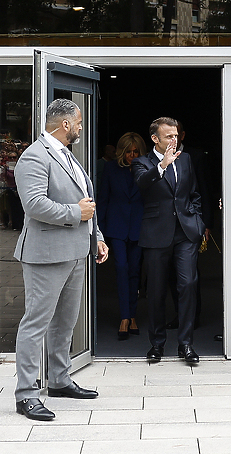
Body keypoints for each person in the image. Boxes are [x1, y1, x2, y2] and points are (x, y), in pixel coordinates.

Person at [13, 98, 109, 421]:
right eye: (79, 123)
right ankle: (26, 395)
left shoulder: (68, 156)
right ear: (65, 124)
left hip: (76, 253)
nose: (81, 128)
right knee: (36, 324)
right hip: (45, 256)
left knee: (65, 322)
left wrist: (96, 236)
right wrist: (75, 214)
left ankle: (59, 379)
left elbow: (87, 202)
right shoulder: (33, 157)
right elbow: (35, 205)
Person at [132, 117, 205, 365]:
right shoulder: (141, 162)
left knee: (187, 285)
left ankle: (186, 344)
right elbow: (143, 184)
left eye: (176, 135)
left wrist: (198, 222)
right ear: (155, 139)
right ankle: (157, 344)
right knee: (156, 291)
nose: (175, 140)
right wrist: (162, 165)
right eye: (169, 136)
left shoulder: (185, 159)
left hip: (185, 232)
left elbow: (194, 193)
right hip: (156, 233)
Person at [97, 132, 147, 340]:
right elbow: (103, 199)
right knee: (121, 268)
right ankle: (124, 317)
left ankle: (132, 316)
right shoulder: (110, 169)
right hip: (116, 227)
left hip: (139, 227)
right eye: (128, 152)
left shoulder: (146, 169)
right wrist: (98, 230)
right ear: (122, 151)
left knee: (135, 271)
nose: (132, 156)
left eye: (136, 152)